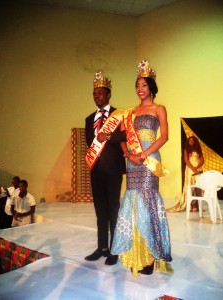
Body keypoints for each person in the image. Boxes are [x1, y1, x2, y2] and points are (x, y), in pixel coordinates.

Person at [111, 60, 173, 278]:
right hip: (133, 161)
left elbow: (164, 136)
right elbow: (121, 136)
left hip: (148, 161)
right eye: (137, 85)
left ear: (151, 88)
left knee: (147, 203)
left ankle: (150, 256)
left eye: (144, 85)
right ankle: (135, 256)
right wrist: (128, 154)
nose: (139, 88)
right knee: (134, 204)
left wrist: (143, 155)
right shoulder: (130, 112)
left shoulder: (159, 109)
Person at [84, 71, 126, 265]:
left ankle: (115, 249)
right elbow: (88, 143)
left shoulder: (118, 115)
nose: (97, 96)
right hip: (96, 171)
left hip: (113, 170)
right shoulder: (88, 119)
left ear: (108, 94)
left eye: (100, 93)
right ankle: (102, 248)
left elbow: (124, 137)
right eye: (94, 93)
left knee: (113, 210)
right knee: (100, 211)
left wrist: (107, 136)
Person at [167, 135, 204, 212]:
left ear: (195, 142)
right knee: (190, 186)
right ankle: (190, 204)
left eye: (192, 141)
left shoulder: (199, 150)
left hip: (198, 169)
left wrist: (197, 167)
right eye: (189, 141)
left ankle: (196, 204)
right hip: (190, 169)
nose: (191, 142)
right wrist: (193, 168)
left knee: (198, 186)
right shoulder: (186, 150)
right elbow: (186, 161)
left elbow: (202, 160)